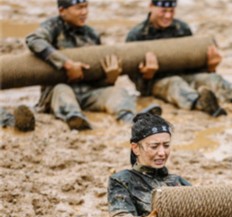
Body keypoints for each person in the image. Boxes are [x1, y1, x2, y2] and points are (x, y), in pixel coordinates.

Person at [25, 0, 160, 131]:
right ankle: (75, 118)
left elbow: (96, 74)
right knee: (62, 91)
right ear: (62, 11)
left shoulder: (91, 34)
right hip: (60, 90)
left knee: (118, 91)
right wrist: (66, 64)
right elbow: (33, 40)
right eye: (79, 8)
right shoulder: (53, 27)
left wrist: (110, 78)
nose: (84, 12)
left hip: (88, 92)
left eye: (86, 7)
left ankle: (129, 118)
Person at [125, 0, 232, 117]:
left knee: (213, 80)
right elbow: (135, 81)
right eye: (163, 11)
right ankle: (201, 103)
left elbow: (194, 63)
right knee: (174, 84)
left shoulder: (181, 28)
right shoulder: (136, 36)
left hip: (185, 74)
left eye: (171, 11)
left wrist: (211, 65)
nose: (168, 16)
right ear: (151, 6)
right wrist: (147, 75)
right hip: (156, 81)